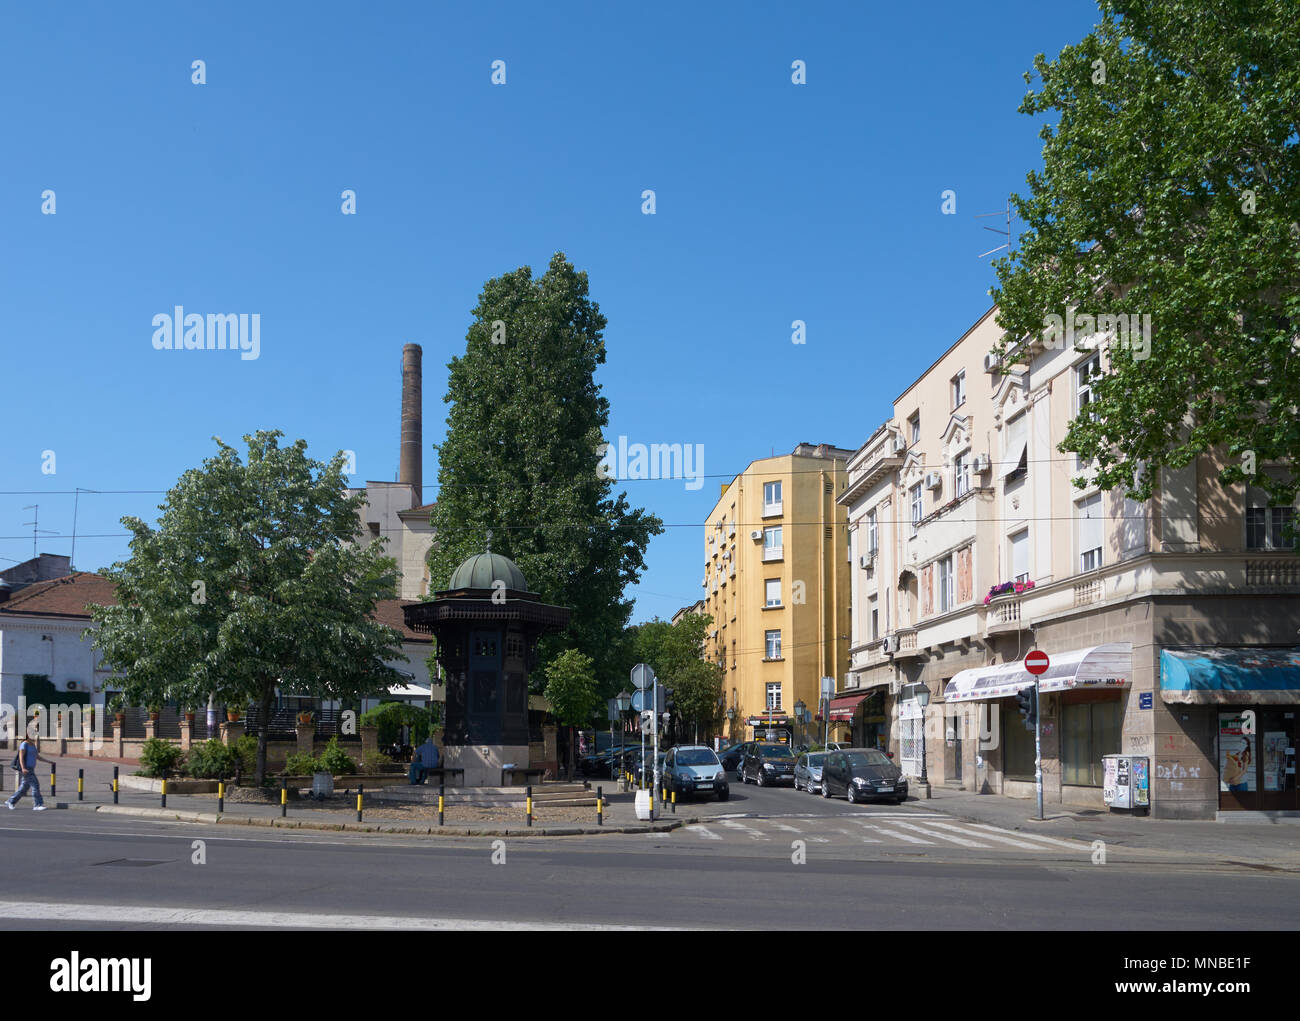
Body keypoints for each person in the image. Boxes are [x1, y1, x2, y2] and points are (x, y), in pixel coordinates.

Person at [7, 734, 48, 811]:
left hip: (31, 769)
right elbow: (21, 757)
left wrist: (49, 761)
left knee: (24, 788)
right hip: (26, 769)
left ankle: (11, 801)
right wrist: (23, 768)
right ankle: (37, 804)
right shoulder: (24, 744)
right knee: (35, 785)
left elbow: (37, 756)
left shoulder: (33, 745)